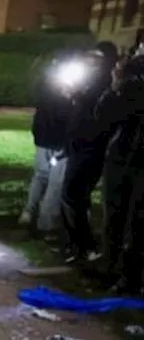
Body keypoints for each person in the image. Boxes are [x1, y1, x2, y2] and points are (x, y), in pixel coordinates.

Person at [60, 43, 120, 263]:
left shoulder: (107, 84)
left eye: (96, 57)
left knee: (73, 195)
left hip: (91, 147)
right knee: (73, 197)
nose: (91, 61)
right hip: (79, 145)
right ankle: (76, 245)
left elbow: (100, 113)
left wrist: (78, 94)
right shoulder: (92, 80)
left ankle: (85, 246)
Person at [98, 55, 144, 290]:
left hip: (135, 161)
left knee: (135, 222)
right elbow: (105, 116)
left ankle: (128, 275)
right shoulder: (132, 74)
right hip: (122, 157)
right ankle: (112, 267)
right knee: (115, 217)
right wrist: (117, 86)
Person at [21, 52, 78, 233]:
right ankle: (45, 222)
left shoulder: (45, 87)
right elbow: (62, 115)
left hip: (45, 139)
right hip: (56, 142)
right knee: (53, 181)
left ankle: (29, 213)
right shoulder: (57, 91)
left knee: (41, 176)